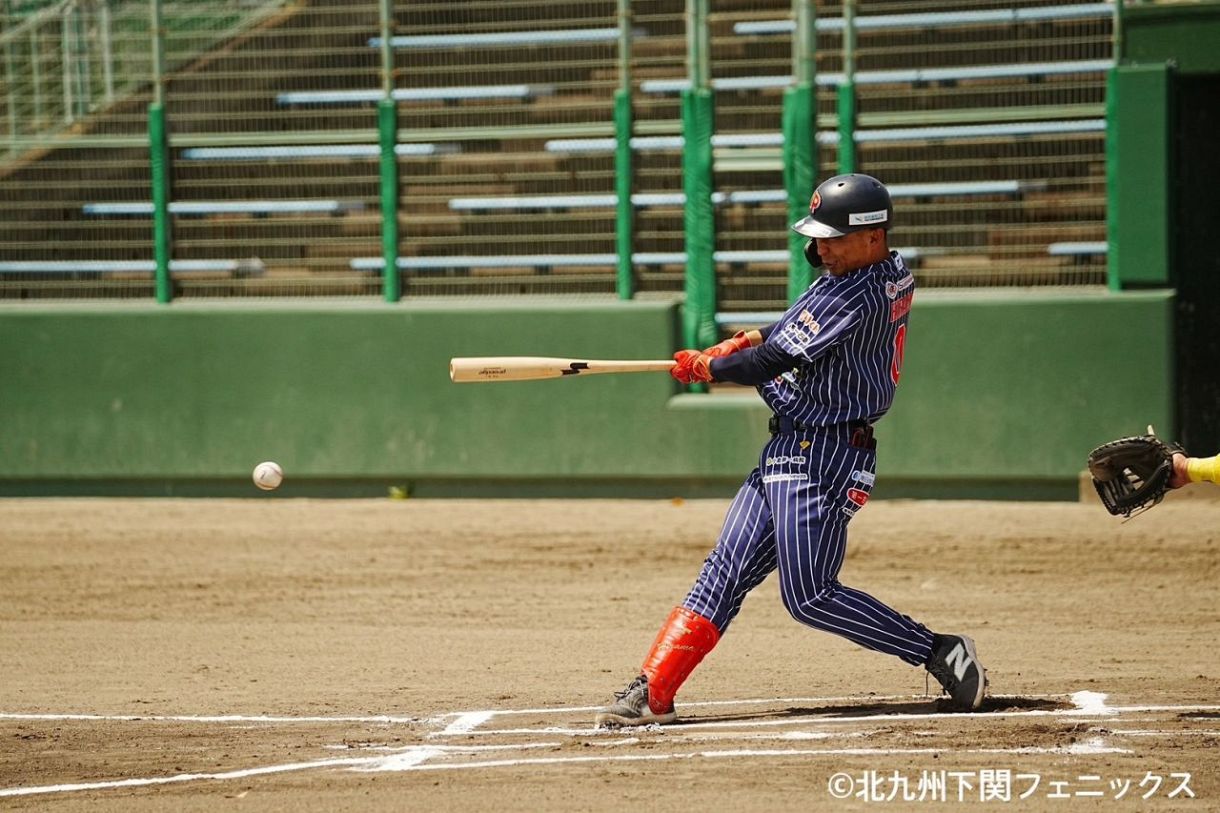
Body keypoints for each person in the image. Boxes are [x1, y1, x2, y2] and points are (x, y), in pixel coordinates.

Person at [596, 173, 986, 728]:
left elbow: (772, 361)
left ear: (872, 236)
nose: (820, 247)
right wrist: (745, 339)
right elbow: (788, 331)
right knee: (724, 572)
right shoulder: (874, 270)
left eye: (833, 237)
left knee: (809, 596)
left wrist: (712, 366)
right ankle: (654, 688)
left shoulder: (862, 290)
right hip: (790, 445)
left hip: (827, 454)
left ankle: (939, 650)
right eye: (818, 236)